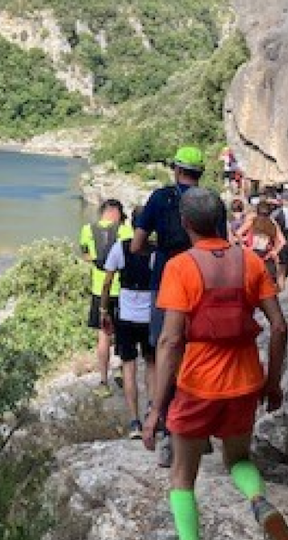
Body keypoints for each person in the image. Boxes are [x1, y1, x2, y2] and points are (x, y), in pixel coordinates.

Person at [142, 187, 288, 540]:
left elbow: (170, 341)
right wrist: (273, 382)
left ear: (186, 224)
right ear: (220, 221)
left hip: (198, 385)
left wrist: (156, 409)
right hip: (245, 381)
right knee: (238, 459)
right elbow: (279, 327)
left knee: (182, 476)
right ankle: (259, 502)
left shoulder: (180, 267)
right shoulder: (251, 261)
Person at [131, 146, 222, 465]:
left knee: (166, 353)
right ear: (200, 173)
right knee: (199, 354)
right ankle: (201, 430)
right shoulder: (212, 202)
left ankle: (171, 435)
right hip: (205, 283)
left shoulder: (160, 198)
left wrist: (158, 251)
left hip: (167, 283)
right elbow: (221, 244)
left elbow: (136, 245)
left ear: (176, 169)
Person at [100, 212, 156, 439]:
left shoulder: (120, 248)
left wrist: (104, 310)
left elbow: (107, 282)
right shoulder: (156, 252)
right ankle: (152, 410)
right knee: (152, 365)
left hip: (126, 317)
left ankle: (134, 422)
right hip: (150, 317)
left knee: (129, 367)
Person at [80, 199, 133, 397]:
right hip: (121, 289)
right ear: (115, 213)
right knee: (123, 332)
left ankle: (103, 382)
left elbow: (85, 254)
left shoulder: (87, 230)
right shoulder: (124, 230)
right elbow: (131, 255)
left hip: (99, 290)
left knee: (103, 335)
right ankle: (120, 369)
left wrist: (96, 260)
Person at [237, 200, 286, 284]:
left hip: (253, 254)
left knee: (253, 281)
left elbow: (238, 233)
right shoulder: (272, 223)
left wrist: (244, 247)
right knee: (269, 282)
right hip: (267, 255)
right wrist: (275, 251)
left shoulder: (253, 221)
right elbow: (283, 241)